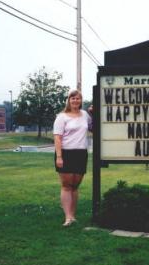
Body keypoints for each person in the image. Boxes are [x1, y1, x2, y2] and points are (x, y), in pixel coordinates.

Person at [53, 89, 92, 226]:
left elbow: (93, 128)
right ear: (69, 100)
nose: (75, 100)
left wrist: (94, 112)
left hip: (81, 153)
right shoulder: (62, 117)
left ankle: (73, 215)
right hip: (66, 153)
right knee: (66, 186)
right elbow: (57, 137)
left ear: (81, 101)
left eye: (78, 98)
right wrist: (59, 157)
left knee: (75, 186)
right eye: (73, 98)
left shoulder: (85, 115)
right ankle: (67, 217)